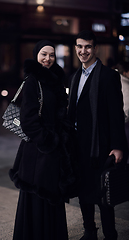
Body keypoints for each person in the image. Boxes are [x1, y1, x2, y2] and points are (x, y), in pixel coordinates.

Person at [9, 40, 78, 240]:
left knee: (50, 196)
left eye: (51, 55)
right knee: (38, 197)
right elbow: (27, 121)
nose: (48, 59)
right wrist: (49, 141)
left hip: (52, 150)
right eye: (43, 54)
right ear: (36, 56)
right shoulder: (33, 81)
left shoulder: (55, 80)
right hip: (39, 151)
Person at [67, 30, 128, 240]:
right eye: (80, 47)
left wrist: (119, 146)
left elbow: (116, 114)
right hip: (79, 146)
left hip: (100, 146)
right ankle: (89, 231)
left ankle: (110, 235)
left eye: (88, 47)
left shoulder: (109, 76)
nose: (83, 51)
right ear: (75, 48)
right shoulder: (74, 77)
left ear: (95, 48)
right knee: (83, 192)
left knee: (104, 195)